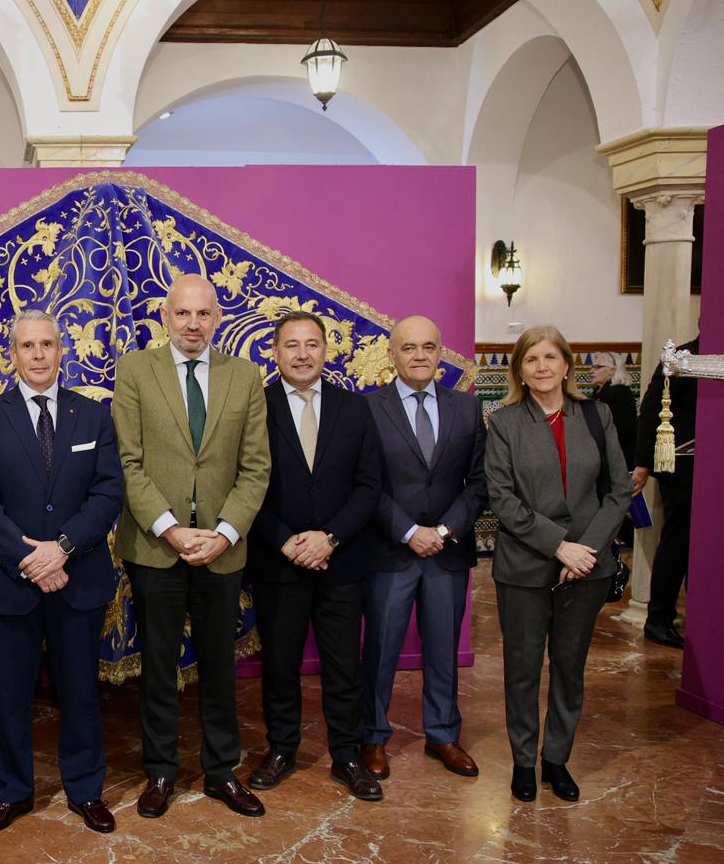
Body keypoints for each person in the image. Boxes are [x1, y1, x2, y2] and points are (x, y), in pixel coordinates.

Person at [112, 273, 271, 819]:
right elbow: (128, 463)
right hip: (158, 546)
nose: (193, 324)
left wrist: (224, 532)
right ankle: (160, 772)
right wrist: (171, 529)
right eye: (183, 314)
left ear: (218, 318)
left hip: (223, 548)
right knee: (158, 665)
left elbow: (255, 467)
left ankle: (222, 772)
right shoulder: (135, 371)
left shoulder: (245, 377)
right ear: (165, 316)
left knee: (219, 668)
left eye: (204, 314)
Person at [0, 310, 123, 836]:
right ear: (13, 354)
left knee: (80, 690)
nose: (37, 355)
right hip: (10, 582)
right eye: (27, 346)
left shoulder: (93, 416)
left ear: (62, 352)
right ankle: (12, 791)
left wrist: (64, 549)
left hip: (78, 577)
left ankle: (86, 790)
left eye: (47, 345)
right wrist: (32, 560)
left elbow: (107, 493)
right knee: (10, 695)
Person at [486, 325, 631, 803]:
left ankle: (557, 760)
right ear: (520, 372)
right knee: (523, 668)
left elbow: (618, 489)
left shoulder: (597, 415)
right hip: (526, 567)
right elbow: (503, 501)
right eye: (531, 359)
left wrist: (586, 549)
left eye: (550, 357)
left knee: (570, 666)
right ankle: (524, 762)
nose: (542, 366)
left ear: (567, 366)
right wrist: (559, 547)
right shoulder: (505, 423)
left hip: (587, 567)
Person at [248, 311, 384, 801]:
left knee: (343, 664)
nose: (302, 354)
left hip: (341, 562)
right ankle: (282, 748)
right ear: (276, 352)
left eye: (312, 345)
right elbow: (245, 487)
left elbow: (370, 486)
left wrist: (330, 538)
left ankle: (346, 754)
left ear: (327, 351)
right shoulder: (254, 408)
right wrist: (286, 541)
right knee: (280, 664)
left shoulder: (355, 409)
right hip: (277, 562)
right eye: (292, 345)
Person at [358, 315, 487, 781]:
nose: (419, 356)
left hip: (447, 552)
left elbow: (478, 482)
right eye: (408, 348)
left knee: (443, 648)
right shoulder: (368, 408)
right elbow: (366, 484)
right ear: (392, 355)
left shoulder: (466, 409)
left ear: (441, 353)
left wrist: (446, 530)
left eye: (428, 347)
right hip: (390, 551)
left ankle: (443, 735)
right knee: (381, 649)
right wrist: (410, 531)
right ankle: (372, 737)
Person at [633, 334, 699, 650]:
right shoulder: (681, 357)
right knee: (677, 543)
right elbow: (650, 410)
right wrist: (643, 464)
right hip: (683, 469)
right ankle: (659, 619)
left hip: (710, 471)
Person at [590, 352, 638, 548]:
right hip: (606, 462)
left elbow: (623, 431)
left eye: (597, 367)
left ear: (612, 370)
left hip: (618, 462)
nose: (592, 370)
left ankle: (634, 541)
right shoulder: (602, 394)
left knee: (610, 506)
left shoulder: (617, 393)